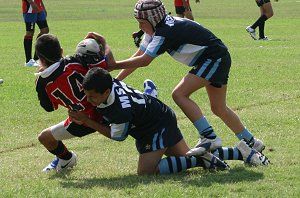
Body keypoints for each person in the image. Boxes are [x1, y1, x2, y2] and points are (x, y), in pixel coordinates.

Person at [87, 0, 266, 158]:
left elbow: (145, 61)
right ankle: (252, 142)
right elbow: (139, 55)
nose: (140, 27)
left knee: (179, 94)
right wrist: (115, 80)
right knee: (218, 108)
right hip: (216, 57)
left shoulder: (164, 31)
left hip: (213, 57)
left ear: (152, 20)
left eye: (142, 22)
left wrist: (113, 65)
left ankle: (209, 137)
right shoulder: (156, 28)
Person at [68, 67, 232, 175]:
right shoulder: (107, 81)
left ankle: (201, 159)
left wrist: (87, 121)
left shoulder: (120, 109)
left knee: (146, 172)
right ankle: (241, 151)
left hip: (155, 126)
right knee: (184, 156)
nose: (88, 100)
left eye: (92, 96)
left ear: (106, 92)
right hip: (158, 115)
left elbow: (118, 136)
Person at [35, 34, 110, 172]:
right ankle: (144, 101)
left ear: (40, 59)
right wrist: (102, 44)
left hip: (81, 122)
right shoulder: (74, 62)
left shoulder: (41, 82)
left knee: (44, 138)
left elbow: (50, 108)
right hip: (108, 110)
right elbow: (104, 66)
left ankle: (65, 158)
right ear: (61, 51)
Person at [22, 0, 49, 66]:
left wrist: (43, 7)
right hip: (30, 10)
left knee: (45, 30)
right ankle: (28, 60)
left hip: (39, 8)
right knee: (30, 33)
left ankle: (36, 58)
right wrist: (32, 3)